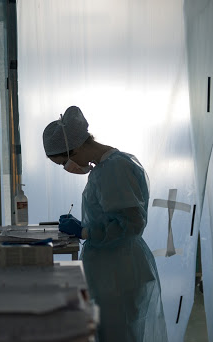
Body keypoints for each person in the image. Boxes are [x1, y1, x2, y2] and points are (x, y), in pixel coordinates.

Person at [42, 106, 168, 342]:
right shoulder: (105, 167)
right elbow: (114, 215)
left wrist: (85, 231)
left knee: (119, 335)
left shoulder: (115, 168)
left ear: (76, 148)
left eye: (63, 162)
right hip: (113, 271)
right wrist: (86, 226)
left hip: (119, 273)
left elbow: (131, 223)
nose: (67, 168)